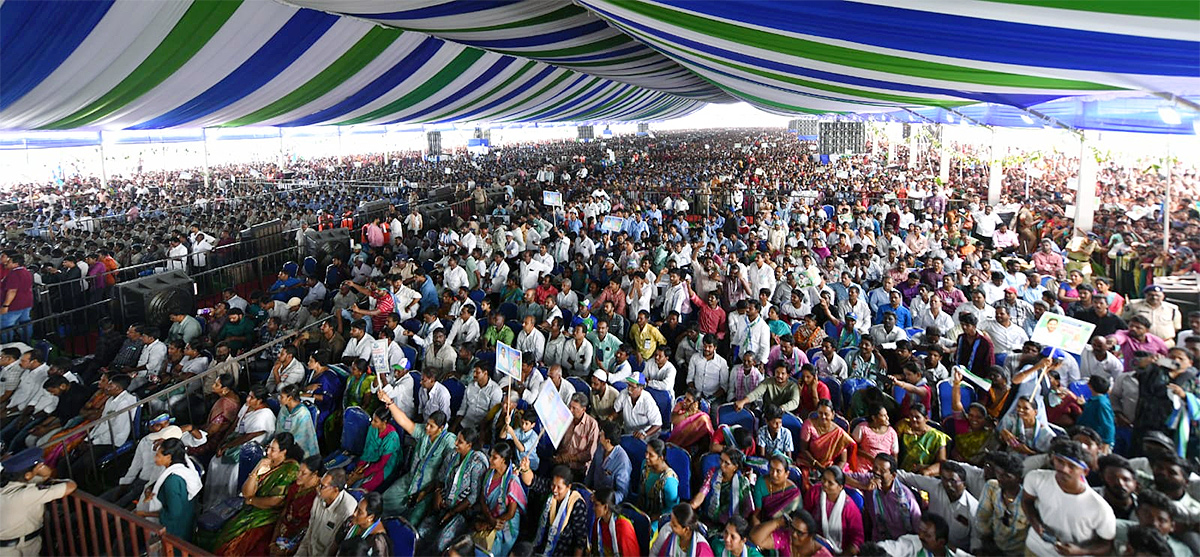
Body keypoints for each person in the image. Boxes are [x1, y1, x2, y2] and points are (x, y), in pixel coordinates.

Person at [210, 432, 305, 554]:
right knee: (224, 534)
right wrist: (255, 471)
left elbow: (275, 501)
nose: (268, 452)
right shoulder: (266, 462)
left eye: (273, 449)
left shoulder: (290, 469)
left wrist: (251, 501)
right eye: (268, 447)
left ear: (284, 452)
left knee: (238, 543)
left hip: (269, 514)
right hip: (253, 508)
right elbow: (246, 492)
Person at [1021, 440, 1117, 556]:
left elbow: (1107, 545)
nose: (1064, 469)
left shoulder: (1100, 508)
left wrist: (1081, 551)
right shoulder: (1036, 478)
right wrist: (1036, 524)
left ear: (1085, 471)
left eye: (1072, 466)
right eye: (1060, 461)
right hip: (1035, 550)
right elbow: (1026, 502)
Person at [379, 386, 455, 522]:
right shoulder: (423, 433)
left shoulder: (448, 441)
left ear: (441, 428)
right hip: (411, 479)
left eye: (432, 426)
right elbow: (404, 421)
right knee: (385, 499)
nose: (427, 428)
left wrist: (429, 492)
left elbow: (448, 470)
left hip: (428, 489)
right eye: (427, 424)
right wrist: (390, 403)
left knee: (412, 520)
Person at [418, 428, 488, 554]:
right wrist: (438, 493)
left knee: (440, 543)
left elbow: (473, 496)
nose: (455, 443)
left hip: (460, 511)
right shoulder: (452, 455)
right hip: (442, 503)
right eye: (456, 440)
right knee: (422, 532)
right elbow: (440, 477)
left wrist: (452, 512)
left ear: (469, 445)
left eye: (460, 442)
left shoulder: (477, 464)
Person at [0, 448, 77, 556]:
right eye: (38, 468)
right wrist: (51, 476)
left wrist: (46, 474)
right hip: (16, 549)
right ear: (27, 475)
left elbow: (41, 480)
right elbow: (70, 486)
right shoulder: (25, 495)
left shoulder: (7, 485)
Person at [895, 461, 978, 550]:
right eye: (944, 479)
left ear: (964, 484)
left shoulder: (973, 508)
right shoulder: (936, 486)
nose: (947, 484)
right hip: (929, 545)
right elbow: (907, 477)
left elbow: (976, 540)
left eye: (952, 481)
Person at [135, 438, 201, 542]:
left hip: (174, 532)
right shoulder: (182, 469)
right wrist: (149, 490)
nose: (155, 458)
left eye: (158, 455)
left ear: (168, 457)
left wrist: (144, 514)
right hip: (186, 524)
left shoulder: (172, 481)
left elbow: (174, 514)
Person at [846, 453, 923, 542]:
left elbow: (919, 528)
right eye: (875, 468)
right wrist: (863, 486)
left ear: (893, 475)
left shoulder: (907, 497)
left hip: (902, 544)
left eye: (882, 471)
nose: (877, 473)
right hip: (879, 541)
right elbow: (839, 476)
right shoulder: (869, 480)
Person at [474, 440, 526, 557]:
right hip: (490, 516)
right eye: (490, 456)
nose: (490, 459)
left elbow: (511, 513)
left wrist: (491, 523)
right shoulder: (489, 474)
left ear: (503, 460)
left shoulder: (512, 481)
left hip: (505, 522)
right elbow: (482, 498)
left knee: (494, 549)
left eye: (494, 457)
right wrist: (489, 519)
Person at [265, 455, 323, 556]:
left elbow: (310, 531)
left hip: (298, 543)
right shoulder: (295, 487)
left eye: (303, 473)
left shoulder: (318, 498)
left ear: (315, 474)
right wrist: (272, 542)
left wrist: (287, 551)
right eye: (299, 471)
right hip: (281, 534)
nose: (298, 475)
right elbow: (284, 513)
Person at [974, 451, 1029, 555]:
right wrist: (988, 539)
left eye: (1007, 476)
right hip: (993, 546)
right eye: (999, 474)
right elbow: (981, 517)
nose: (1000, 479)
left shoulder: (1027, 500)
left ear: (1019, 479)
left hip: (1019, 553)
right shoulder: (992, 487)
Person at [293, 468, 357, 557]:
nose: (318, 488)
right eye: (319, 484)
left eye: (323, 486)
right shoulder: (319, 497)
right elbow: (309, 532)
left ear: (335, 490)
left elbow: (332, 547)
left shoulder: (347, 509)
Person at [803, 466, 864, 554]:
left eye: (830, 483)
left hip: (840, 551)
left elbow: (857, 540)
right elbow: (805, 516)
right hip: (813, 542)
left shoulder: (849, 507)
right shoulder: (815, 492)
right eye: (823, 479)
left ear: (840, 487)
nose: (825, 484)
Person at [692, 448, 754, 527]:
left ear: (735, 467)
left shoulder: (742, 482)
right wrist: (692, 505)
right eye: (721, 460)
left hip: (733, 524)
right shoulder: (713, 473)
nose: (721, 465)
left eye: (726, 463)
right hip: (711, 520)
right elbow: (703, 491)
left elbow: (748, 509)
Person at [348, 406, 401, 492]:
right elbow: (368, 450)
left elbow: (382, 463)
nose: (372, 423)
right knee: (354, 474)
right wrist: (359, 468)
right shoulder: (373, 428)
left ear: (384, 422)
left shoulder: (392, 438)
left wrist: (361, 475)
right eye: (373, 419)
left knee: (365, 486)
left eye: (376, 421)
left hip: (387, 464)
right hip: (373, 458)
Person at [875, 514, 971, 557]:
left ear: (940, 542)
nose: (920, 536)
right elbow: (891, 547)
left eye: (927, 535)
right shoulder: (914, 544)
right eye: (920, 531)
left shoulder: (954, 554)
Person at [797, 400, 854, 472]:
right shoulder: (809, 425)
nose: (823, 417)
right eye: (820, 413)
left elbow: (843, 460)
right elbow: (803, 449)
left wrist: (833, 473)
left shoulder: (838, 433)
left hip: (831, 467)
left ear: (832, 415)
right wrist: (818, 466)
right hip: (810, 463)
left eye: (826, 414)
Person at [748, 508, 831, 557]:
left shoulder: (822, 554)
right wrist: (777, 522)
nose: (794, 534)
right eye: (793, 528)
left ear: (811, 535)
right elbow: (755, 538)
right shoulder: (786, 537)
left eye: (800, 533)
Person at [332, 492, 392, 556]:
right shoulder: (351, 521)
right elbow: (336, 543)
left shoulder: (378, 542)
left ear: (370, 517)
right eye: (356, 508)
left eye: (359, 512)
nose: (354, 513)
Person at [586, 421, 631, 504]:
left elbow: (622, 493)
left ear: (608, 441)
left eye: (602, 434)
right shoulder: (600, 447)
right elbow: (592, 469)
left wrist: (604, 499)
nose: (599, 434)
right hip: (593, 493)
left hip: (607, 503)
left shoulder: (622, 462)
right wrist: (585, 488)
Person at [898, 403, 950, 474]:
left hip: (923, 472)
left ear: (926, 418)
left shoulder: (938, 437)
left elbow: (942, 463)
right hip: (902, 472)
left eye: (917, 417)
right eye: (911, 416)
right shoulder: (903, 426)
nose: (913, 419)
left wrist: (926, 469)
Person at [751, 454, 801, 526]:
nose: (774, 474)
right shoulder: (761, 482)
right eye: (771, 469)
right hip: (765, 523)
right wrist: (756, 524)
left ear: (786, 474)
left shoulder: (793, 493)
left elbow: (797, 518)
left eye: (778, 471)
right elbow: (758, 510)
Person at [650, 503, 715, 557]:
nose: (670, 525)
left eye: (674, 525)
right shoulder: (670, 535)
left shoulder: (701, 549)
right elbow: (657, 553)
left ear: (686, 529)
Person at [641, 438, 680, 522]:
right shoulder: (645, 466)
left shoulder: (669, 480)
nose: (646, 456)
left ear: (661, 458)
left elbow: (671, 509)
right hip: (644, 511)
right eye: (646, 452)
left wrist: (652, 519)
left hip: (660, 518)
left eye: (651, 455)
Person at [591, 487, 639, 557]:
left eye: (596, 505)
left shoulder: (623, 527)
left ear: (605, 507)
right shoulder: (598, 523)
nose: (593, 508)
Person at [275, 385, 319, 458]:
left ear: (290, 398)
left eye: (282, 397)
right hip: (282, 445)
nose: (280, 399)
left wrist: (285, 446)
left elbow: (301, 437)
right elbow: (278, 429)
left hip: (299, 449)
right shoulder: (283, 410)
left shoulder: (303, 413)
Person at [851, 404, 898, 473]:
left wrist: (893, 470)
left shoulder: (892, 433)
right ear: (874, 418)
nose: (887, 418)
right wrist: (870, 457)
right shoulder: (862, 428)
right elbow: (853, 447)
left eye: (887, 415)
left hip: (883, 469)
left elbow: (894, 455)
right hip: (864, 468)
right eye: (883, 416)